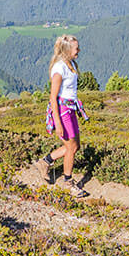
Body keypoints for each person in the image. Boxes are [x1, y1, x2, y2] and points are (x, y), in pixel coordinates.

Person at [42, 34, 87, 193]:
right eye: (76, 48)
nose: (79, 50)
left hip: (70, 109)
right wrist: (58, 123)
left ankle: (46, 161)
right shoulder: (59, 69)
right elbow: (53, 97)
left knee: (75, 146)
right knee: (71, 148)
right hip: (62, 111)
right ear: (68, 50)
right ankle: (68, 182)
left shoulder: (70, 64)